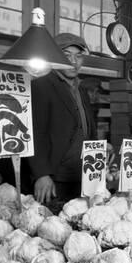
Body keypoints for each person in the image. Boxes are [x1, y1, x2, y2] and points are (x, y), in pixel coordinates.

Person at [24, 33, 97, 204]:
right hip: (54, 179)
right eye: (67, 55)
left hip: (83, 176)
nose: (73, 61)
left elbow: (85, 128)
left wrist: (99, 149)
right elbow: (34, 132)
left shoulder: (82, 90)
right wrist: (41, 174)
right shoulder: (40, 86)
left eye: (78, 56)